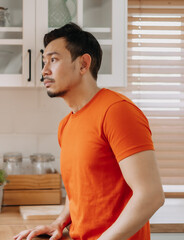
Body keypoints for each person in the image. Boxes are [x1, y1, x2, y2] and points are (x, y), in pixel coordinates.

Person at [13, 22, 165, 240]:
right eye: (44, 61)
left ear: (83, 64)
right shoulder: (66, 125)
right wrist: (58, 222)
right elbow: (79, 193)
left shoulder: (117, 112)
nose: (44, 70)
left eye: (53, 60)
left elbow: (151, 195)